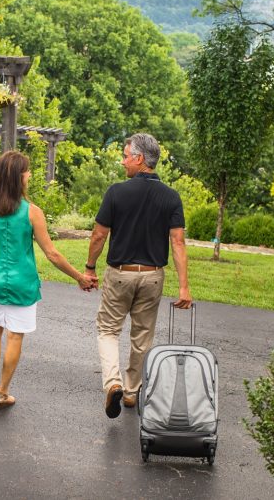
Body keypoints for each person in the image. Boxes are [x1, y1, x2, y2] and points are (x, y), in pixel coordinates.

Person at [0, 151, 95, 410]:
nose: (30, 174)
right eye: (27, 171)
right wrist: (79, 277)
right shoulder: (32, 212)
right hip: (23, 284)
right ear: (18, 177)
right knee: (15, 337)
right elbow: (52, 254)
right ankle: (2, 392)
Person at [84, 133, 192, 419]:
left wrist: (90, 267)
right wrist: (184, 287)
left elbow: (99, 235)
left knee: (108, 330)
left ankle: (113, 382)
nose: (123, 162)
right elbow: (178, 243)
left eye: (125, 156)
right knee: (142, 336)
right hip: (153, 276)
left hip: (121, 274)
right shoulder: (171, 197)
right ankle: (131, 392)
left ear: (139, 158)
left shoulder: (116, 192)